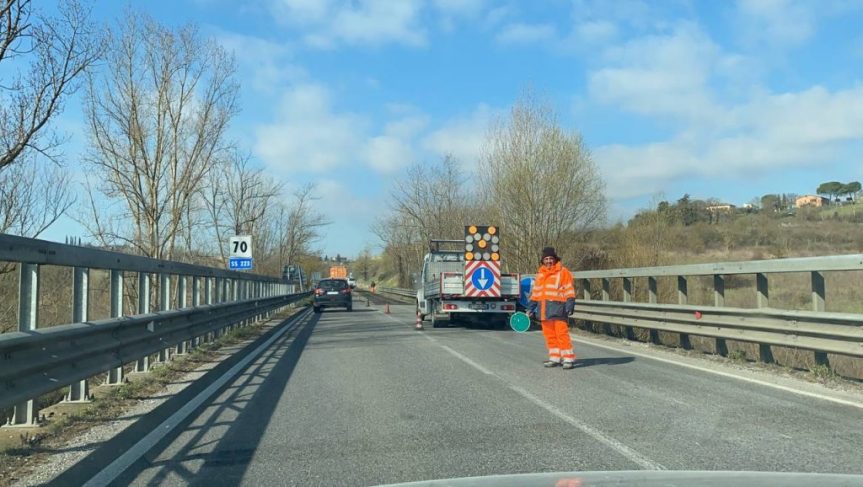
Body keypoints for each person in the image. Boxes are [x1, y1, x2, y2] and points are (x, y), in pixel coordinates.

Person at [527, 247, 577, 369]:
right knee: (550, 336)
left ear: (555, 259)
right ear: (543, 261)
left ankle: (568, 359)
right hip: (544, 309)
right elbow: (536, 293)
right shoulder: (540, 274)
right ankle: (554, 357)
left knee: (562, 334)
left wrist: (570, 304)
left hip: (559, 308)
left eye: (551, 258)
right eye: (546, 259)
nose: (549, 261)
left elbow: (569, 289)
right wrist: (531, 308)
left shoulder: (563, 272)